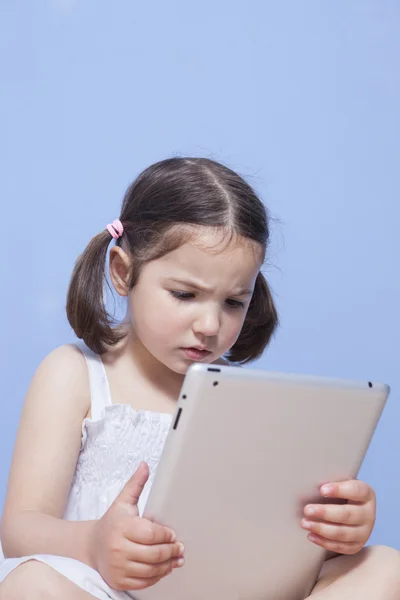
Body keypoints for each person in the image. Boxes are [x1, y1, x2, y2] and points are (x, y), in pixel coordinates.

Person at [0, 157, 399, 600]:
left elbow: (265, 543)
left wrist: (336, 532)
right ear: (122, 271)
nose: (210, 324)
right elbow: (20, 530)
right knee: (31, 585)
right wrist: (93, 544)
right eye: (185, 295)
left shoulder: (245, 400)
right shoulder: (76, 374)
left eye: (233, 302)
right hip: (102, 590)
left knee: (384, 566)